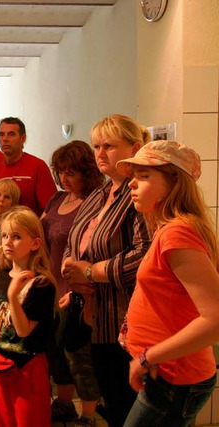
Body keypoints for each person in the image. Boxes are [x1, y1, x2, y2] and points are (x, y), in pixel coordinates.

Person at [115, 141, 219, 426]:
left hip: (173, 377)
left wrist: (149, 357)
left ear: (174, 183)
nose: (131, 185)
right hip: (167, 373)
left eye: (144, 176)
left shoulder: (177, 234)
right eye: (133, 176)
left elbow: (215, 319)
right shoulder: (169, 229)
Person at [61, 114, 152, 427]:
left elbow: (145, 254)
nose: (100, 153)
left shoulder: (139, 193)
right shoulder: (99, 194)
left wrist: (91, 273)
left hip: (125, 320)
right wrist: (70, 268)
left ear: (135, 147)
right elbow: (74, 240)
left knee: (126, 408)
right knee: (111, 404)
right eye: (96, 146)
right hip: (95, 318)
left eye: (109, 146)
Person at [40, 140, 104, 424]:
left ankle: (87, 413)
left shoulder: (95, 201)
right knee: (55, 351)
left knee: (79, 356)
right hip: (52, 287)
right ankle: (63, 403)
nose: (64, 178)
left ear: (86, 172)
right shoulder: (57, 199)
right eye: (61, 172)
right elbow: (39, 231)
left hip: (77, 290)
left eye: (71, 173)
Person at [0, 205, 57, 427]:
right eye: (4, 235)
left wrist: (14, 296)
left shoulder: (42, 284)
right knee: (4, 420)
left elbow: (24, 330)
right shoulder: (3, 274)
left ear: (35, 243)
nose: (7, 242)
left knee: (29, 420)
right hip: (1, 365)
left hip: (27, 367)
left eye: (16, 237)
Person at [0, 117, 57, 216]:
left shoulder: (37, 166)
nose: (5, 139)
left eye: (11, 134)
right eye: (1, 134)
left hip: (29, 228)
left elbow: (50, 208)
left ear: (23, 138)